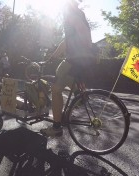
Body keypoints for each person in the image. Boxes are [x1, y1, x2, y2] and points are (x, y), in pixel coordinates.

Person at [40, 0, 95, 137]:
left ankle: (56, 127)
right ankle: (79, 95)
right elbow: (66, 42)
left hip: (75, 58)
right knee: (67, 77)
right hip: (81, 59)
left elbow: (84, 35)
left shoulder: (72, 15)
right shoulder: (78, 14)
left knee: (56, 89)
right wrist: (52, 57)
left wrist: (82, 50)